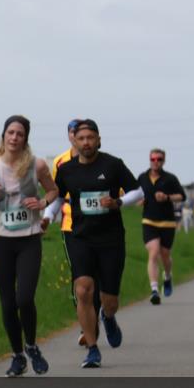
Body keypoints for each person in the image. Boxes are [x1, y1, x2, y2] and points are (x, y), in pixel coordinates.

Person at [44, 119, 143, 369]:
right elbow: (58, 199)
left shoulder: (113, 164)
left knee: (109, 299)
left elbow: (137, 191)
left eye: (90, 138)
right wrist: (47, 216)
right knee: (83, 290)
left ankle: (108, 317)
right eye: (81, 138)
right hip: (80, 236)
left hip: (110, 238)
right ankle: (92, 348)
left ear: (99, 140)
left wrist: (118, 202)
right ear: (74, 141)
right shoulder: (66, 170)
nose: (86, 142)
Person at [0, 116, 59, 377]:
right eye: (10, 132)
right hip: (0, 241)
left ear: (25, 139)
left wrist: (42, 204)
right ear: (3, 136)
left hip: (29, 239)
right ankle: (18, 356)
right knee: (8, 302)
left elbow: (53, 191)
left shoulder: (37, 165)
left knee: (25, 298)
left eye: (19, 134)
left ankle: (31, 346)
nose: (14, 137)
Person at [52, 119, 102, 347]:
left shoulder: (102, 162)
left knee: (96, 280)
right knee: (80, 279)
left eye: (81, 133)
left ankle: (97, 316)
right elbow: (56, 191)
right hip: (70, 225)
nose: (76, 137)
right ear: (69, 136)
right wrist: (48, 213)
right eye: (73, 133)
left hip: (98, 225)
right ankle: (85, 326)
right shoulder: (60, 162)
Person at [137, 148, 185, 305]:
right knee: (154, 252)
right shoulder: (142, 178)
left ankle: (168, 276)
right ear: (149, 160)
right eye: (153, 159)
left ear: (163, 161)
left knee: (165, 255)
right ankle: (154, 290)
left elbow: (181, 196)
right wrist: (140, 201)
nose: (155, 162)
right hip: (149, 221)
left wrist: (167, 197)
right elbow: (137, 195)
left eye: (159, 159)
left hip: (167, 222)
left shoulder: (170, 178)